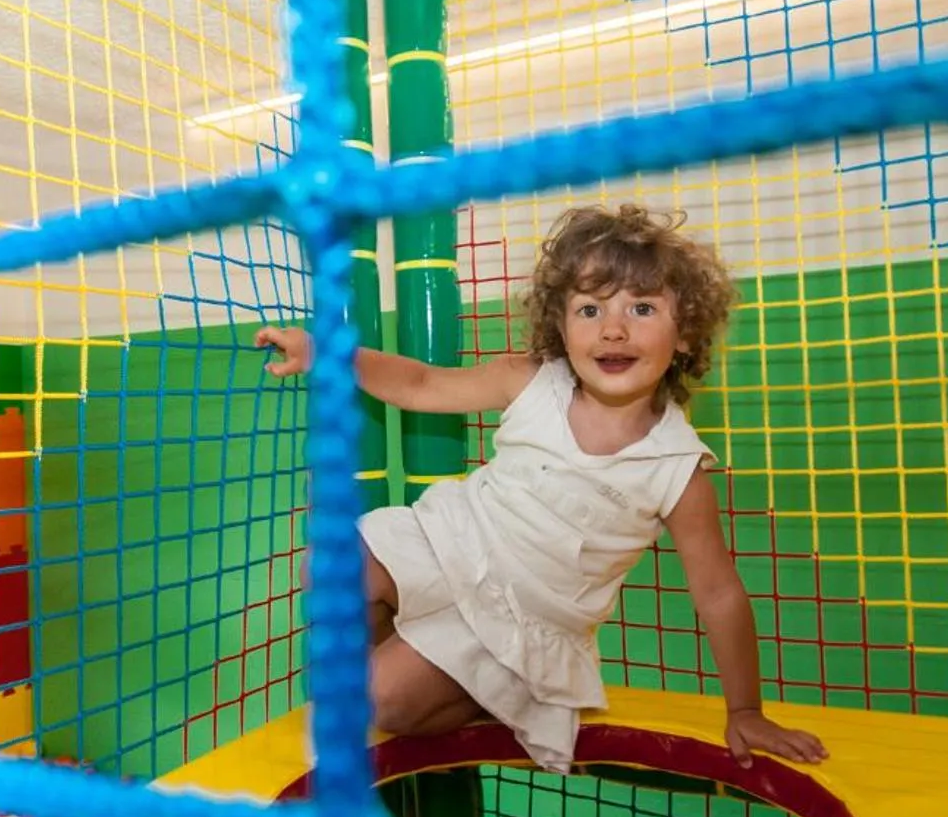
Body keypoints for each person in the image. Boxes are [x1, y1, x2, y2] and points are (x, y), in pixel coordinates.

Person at [257, 203, 827, 774]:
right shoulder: (531, 383)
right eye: (589, 308)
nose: (613, 328)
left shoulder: (675, 467)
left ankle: (483, 688)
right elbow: (422, 384)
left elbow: (718, 593)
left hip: (524, 615)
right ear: (561, 326)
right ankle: (404, 671)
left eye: (643, 307)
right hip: (454, 544)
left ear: (685, 336)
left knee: (387, 700)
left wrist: (746, 709)